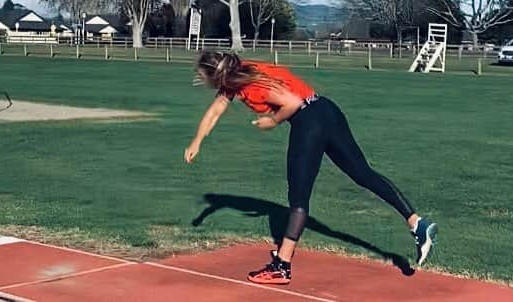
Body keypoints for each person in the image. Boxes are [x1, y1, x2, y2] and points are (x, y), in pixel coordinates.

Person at [184, 50, 437, 286]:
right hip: (326, 109)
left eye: (203, 75)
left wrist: (271, 121)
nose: (201, 79)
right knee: (363, 173)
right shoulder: (243, 71)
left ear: (217, 76)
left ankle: (281, 266)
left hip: (308, 121)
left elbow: (292, 103)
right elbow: (215, 111)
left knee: (298, 196)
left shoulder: (251, 87)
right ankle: (417, 223)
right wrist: (197, 140)